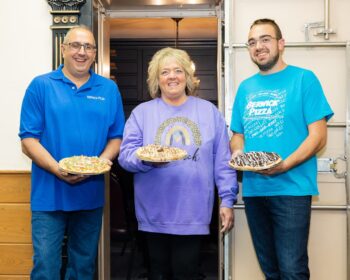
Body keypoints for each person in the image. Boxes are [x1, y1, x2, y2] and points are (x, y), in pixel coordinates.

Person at [118, 47, 238, 280]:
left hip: (193, 212)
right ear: (156, 79)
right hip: (153, 214)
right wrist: (146, 158)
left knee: (187, 273)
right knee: (158, 274)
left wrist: (227, 200)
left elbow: (223, 161)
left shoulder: (209, 112)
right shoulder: (142, 113)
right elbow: (125, 156)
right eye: (164, 72)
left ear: (187, 76)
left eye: (178, 70)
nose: (172, 76)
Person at [230, 18, 334, 280]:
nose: (258, 46)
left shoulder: (304, 79)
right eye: (252, 42)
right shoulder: (245, 88)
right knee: (271, 270)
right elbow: (238, 135)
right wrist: (237, 152)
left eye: (265, 39)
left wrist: (285, 165)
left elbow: (318, 136)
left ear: (281, 43)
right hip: (254, 190)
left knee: (292, 270)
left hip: (292, 188)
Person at [18, 25, 125, 280]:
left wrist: (99, 164)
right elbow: (28, 140)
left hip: (90, 195)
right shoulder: (41, 86)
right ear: (63, 49)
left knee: (83, 268)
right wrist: (58, 169)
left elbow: (116, 137)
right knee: (45, 266)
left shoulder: (108, 90)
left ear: (95, 53)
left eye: (88, 47)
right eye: (76, 45)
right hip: (48, 196)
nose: (82, 52)